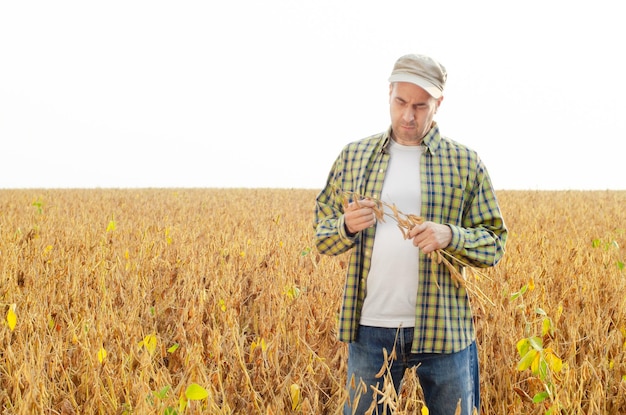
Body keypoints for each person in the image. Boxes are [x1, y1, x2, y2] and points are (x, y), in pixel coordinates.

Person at [313, 53, 508, 415]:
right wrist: (346, 226)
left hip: (444, 331)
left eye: (421, 105)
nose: (408, 115)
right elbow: (322, 234)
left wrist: (450, 235)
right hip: (371, 330)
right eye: (401, 101)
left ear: (439, 104)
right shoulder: (354, 156)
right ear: (388, 93)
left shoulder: (465, 162)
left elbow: (495, 242)